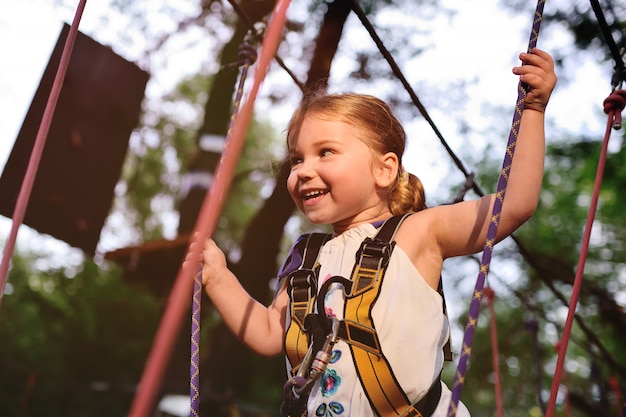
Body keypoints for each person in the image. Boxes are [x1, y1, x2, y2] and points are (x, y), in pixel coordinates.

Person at [187, 48, 557, 416]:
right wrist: (218, 276)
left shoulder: (419, 233)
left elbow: (513, 205)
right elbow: (270, 333)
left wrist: (533, 111)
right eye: (297, 158)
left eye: (325, 152)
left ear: (384, 170)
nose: (302, 170)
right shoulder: (307, 256)